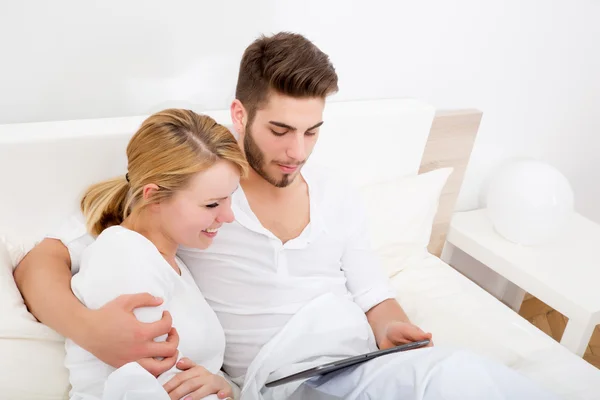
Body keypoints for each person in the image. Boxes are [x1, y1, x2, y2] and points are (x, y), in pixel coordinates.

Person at [15, 33, 559, 400]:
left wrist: (391, 327)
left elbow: (372, 292)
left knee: (464, 377)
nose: (297, 151)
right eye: (279, 130)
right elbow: (45, 257)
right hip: (281, 386)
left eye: (312, 131)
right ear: (239, 114)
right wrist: (89, 330)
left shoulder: (335, 191)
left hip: (359, 367)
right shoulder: (196, 192)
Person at [62, 109, 247, 400]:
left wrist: (225, 387)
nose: (228, 216)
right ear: (154, 196)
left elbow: (189, 379)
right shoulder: (123, 256)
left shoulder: (171, 263)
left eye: (230, 197)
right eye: (212, 204)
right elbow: (151, 389)